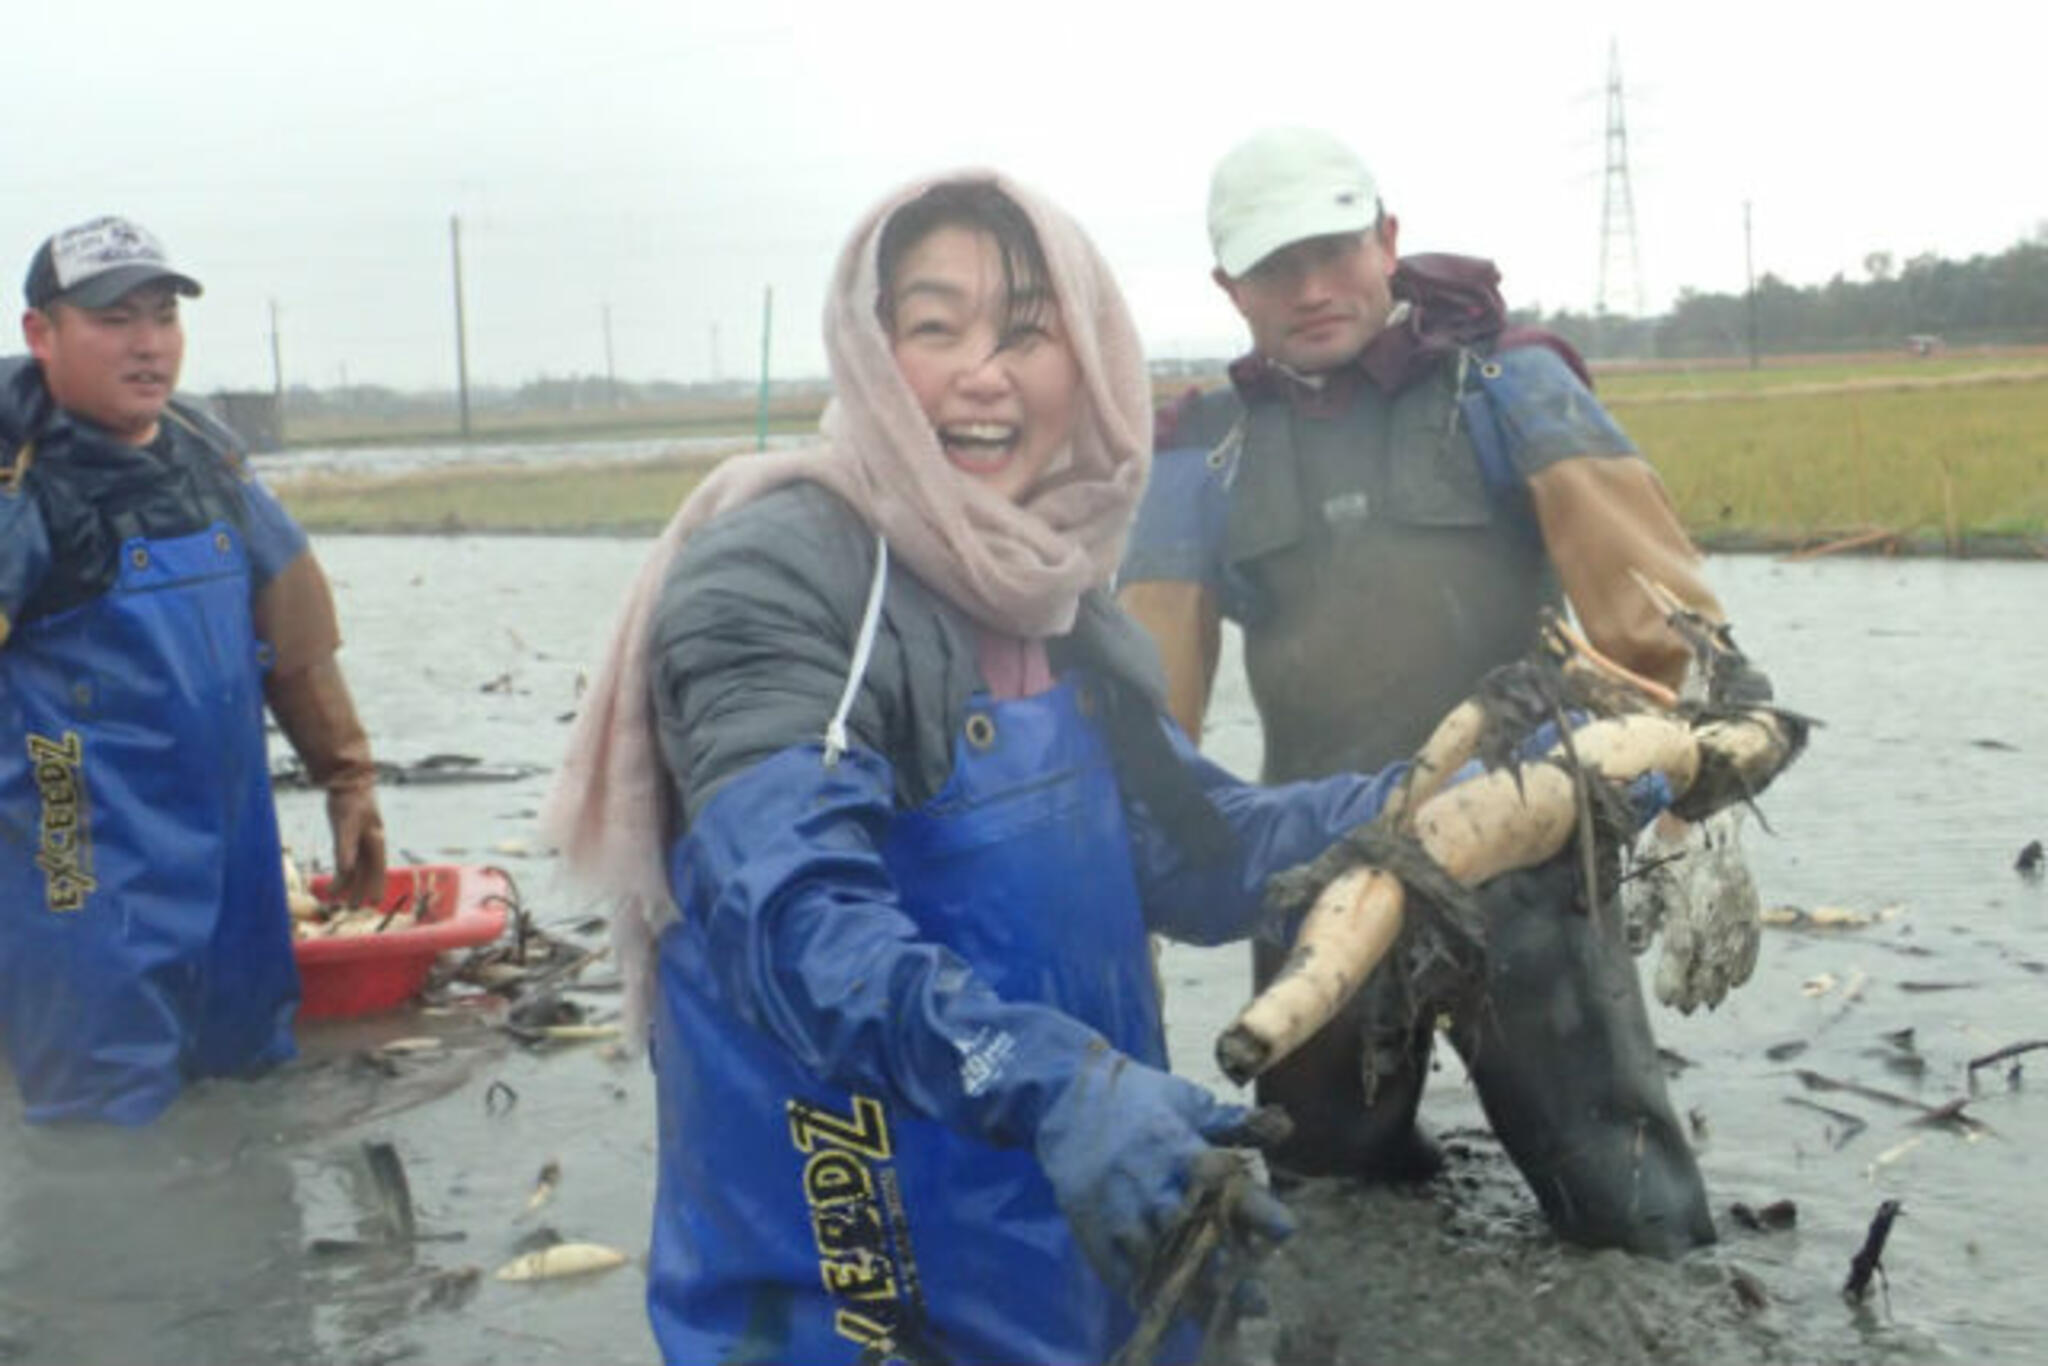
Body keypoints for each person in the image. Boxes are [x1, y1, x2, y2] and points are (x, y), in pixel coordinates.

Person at [543, 172, 1641, 1365]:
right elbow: (790, 919)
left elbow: (1205, 849)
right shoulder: (776, 577)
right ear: (867, 351)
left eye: (1028, 330)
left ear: (1088, 356)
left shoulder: (1057, 598)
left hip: (1079, 1252)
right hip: (856, 1278)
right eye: (933, 326)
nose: (984, 372)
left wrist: (1463, 800)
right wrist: (1043, 1080)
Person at [1117, 127, 1742, 1255]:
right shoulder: (1198, 449)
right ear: (1228, 288)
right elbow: (1145, 719)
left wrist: (1663, 776)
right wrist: (1129, 887)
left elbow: (1655, 626)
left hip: (1529, 864)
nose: (1310, 289)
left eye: (1333, 251)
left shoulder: (1509, 386)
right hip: (1316, 877)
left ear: (1387, 241)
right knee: (1323, 1207)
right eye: (1272, 267)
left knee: (1634, 1213)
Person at [0, 215, 386, 1125]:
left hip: (235, 855)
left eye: (163, 315)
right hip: (78, 866)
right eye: (113, 318)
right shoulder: (18, 485)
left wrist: (348, 778)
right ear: (40, 335)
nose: (148, 345)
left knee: (252, 1082)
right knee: (103, 1121)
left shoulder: (208, 457)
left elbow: (293, 631)